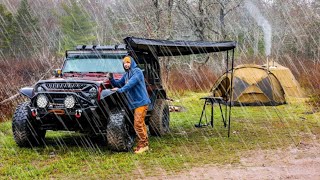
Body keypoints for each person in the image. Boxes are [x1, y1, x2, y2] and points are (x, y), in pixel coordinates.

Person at [109, 55, 151, 154]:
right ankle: (144, 143)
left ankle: (143, 145)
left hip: (141, 102)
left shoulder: (137, 72)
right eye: (124, 63)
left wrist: (120, 90)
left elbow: (130, 84)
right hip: (135, 103)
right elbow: (119, 83)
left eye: (128, 62)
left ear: (131, 62)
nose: (126, 64)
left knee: (137, 124)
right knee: (140, 123)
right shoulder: (126, 74)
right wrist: (111, 78)